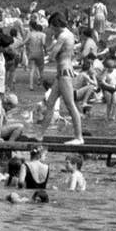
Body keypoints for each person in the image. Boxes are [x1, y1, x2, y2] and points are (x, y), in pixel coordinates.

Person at [38, 13, 85, 145]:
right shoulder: (67, 34)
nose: (52, 30)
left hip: (65, 72)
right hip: (61, 73)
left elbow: (51, 56)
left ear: (57, 25)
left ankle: (79, 137)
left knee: (70, 105)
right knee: (50, 103)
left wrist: (50, 41)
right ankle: (40, 135)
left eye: (52, 27)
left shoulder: (63, 36)